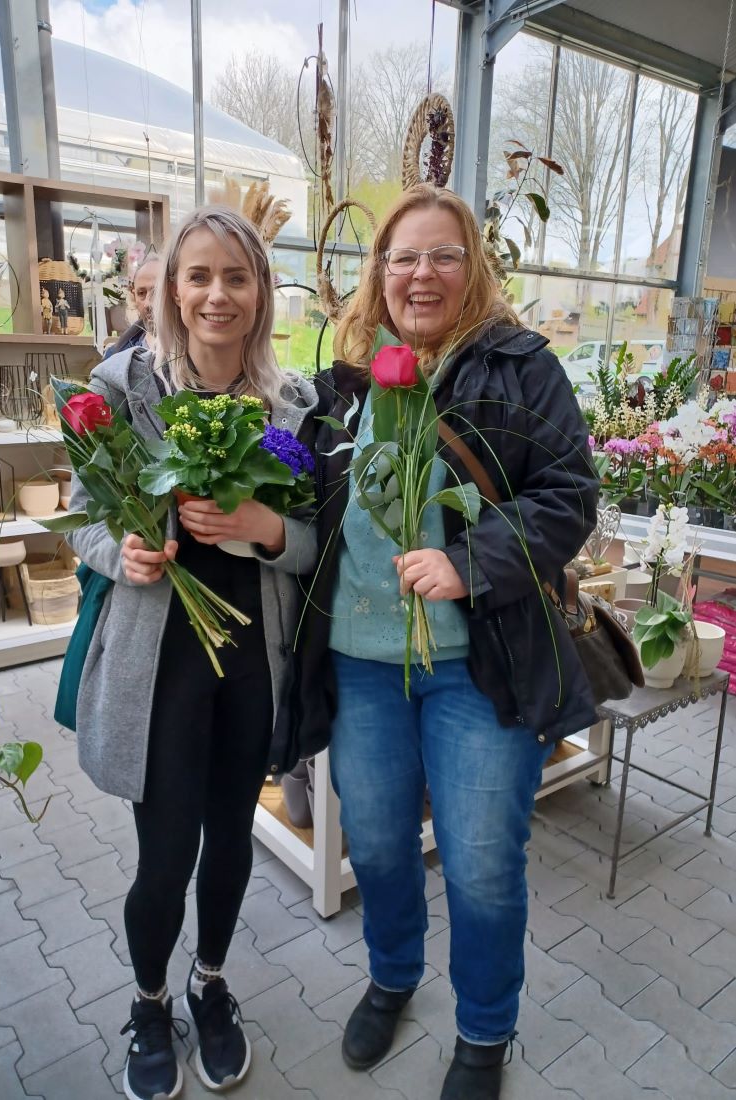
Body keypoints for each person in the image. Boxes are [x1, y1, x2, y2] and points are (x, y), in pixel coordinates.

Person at [302, 184, 599, 1100]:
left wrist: (469, 560)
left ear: (472, 269)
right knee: (381, 843)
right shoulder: (342, 384)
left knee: (477, 859)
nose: (419, 274)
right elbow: (306, 505)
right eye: (402, 257)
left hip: (478, 666)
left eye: (441, 255)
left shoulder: (519, 367)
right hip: (361, 663)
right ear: (377, 274)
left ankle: (483, 1028)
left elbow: (569, 495)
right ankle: (391, 974)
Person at [67, 206, 318, 1100]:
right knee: (164, 852)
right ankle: (147, 1001)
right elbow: (84, 519)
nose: (218, 294)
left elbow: (312, 541)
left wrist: (264, 529)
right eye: (198, 276)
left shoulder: (293, 408)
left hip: (251, 658)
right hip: (160, 661)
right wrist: (122, 553)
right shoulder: (122, 390)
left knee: (231, 841)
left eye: (237, 277)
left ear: (260, 293)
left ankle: (211, 986)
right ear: (172, 289)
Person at [103, 254, 162, 359]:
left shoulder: (196, 350)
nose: (148, 303)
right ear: (133, 296)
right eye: (141, 293)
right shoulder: (115, 357)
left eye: (157, 292)